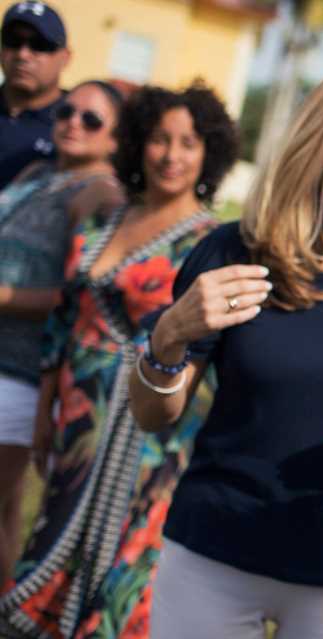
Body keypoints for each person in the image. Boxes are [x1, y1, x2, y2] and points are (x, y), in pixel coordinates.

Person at [130, 63, 323, 639]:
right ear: (319, 150)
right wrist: (169, 334)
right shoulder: (236, 251)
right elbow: (153, 415)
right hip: (214, 556)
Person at [0, 83, 236, 639]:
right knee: (51, 532)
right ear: (137, 144)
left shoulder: (212, 241)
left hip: (147, 430)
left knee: (122, 562)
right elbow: (63, 314)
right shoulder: (105, 216)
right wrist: (46, 406)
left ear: (209, 153)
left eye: (188, 142)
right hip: (77, 418)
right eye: (159, 139)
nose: (172, 155)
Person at [0, 79, 126, 586]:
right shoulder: (36, 170)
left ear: (116, 138)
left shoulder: (101, 191)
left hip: (22, 369)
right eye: (67, 111)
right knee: (7, 511)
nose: (73, 122)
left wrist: (4, 298)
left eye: (91, 119)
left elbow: (84, 292)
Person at [0, 1, 70, 189]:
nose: (23, 54)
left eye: (39, 45)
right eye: (13, 41)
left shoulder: (77, 125)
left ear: (65, 57)